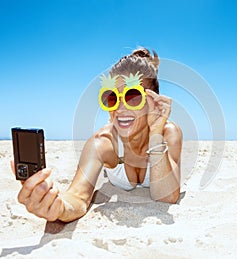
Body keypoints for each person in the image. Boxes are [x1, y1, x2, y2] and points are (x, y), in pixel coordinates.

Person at [11, 48, 183, 222]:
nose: (120, 108)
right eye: (112, 98)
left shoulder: (169, 133)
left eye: (133, 96)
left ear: (154, 101)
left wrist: (155, 133)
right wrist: (60, 208)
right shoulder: (102, 142)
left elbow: (167, 197)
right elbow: (77, 196)